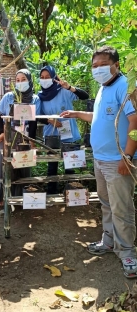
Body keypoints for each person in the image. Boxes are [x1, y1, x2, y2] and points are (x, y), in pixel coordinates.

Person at [60, 46, 137, 278]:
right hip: (101, 159)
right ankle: (109, 241)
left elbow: (135, 122)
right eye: (94, 66)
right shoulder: (104, 89)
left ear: (116, 65)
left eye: (102, 65)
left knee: (121, 208)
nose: (98, 70)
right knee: (105, 203)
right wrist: (76, 114)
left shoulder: (124, 87)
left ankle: (128, 253)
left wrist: (128, 156)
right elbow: (101, 118)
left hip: (118, 161)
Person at [38, 65, 89, 193]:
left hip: (70, 135)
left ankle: (73, 195)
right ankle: (52, 193)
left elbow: (85, 96)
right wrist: (49, 120)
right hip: (51, 136)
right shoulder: (39, 96)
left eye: (48, 77)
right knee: (52, 166)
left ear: (54, 78)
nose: (44, 79)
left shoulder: (64, 91)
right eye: (42, 77)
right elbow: (37, 115)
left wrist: (70, 87)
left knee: (71, 166)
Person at [0, 68, 40, 203]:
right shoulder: (9, 96)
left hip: (24, 138)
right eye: (17, 80)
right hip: (9, 137)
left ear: (29, 80)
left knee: (23, 166)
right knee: (4, 167)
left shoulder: (34, 99)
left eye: (23, 80)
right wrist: (2, 132)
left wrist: (31, 140)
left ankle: (21, 198)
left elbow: (33, 120)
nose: (20, 83)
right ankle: (1, 198)